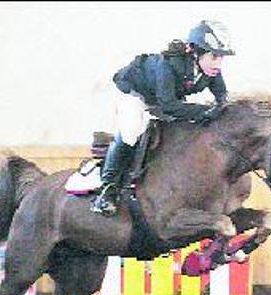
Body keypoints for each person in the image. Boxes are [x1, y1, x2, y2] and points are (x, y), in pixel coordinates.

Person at [90, 20, 235, 216]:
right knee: (132, 132)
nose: (218, 64)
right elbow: (169, 106)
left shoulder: (211, 71)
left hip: (163, 98)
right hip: (135, 92)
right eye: (214, 56)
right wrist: (205, 112)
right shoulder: (167, 65)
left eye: (221, 58)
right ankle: (106, 190)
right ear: (195, 52)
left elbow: (222, 100)